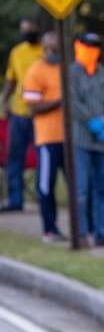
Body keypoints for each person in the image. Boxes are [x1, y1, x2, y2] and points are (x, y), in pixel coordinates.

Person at [70, 32, 104, 247]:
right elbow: (72, 103)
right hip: (81, 138)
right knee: (81, 188)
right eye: (88, 46)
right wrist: (90, 122)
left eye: (96, 47)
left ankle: (102, 231)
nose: (92, 51)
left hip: (102, 141)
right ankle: (81, 233)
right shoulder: (71, 74)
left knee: (103, 188)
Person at [22, 31, 66, 243]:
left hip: (71, 138)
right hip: (48, 138)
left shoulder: (67, 69)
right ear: (44, 48)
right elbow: (33, 107)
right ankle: (49, 229)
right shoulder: (35, 71)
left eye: (57, 49)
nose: (53, 53)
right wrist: (59, 101)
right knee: (46, 185)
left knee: (80, 185)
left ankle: (85, 228)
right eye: (50, 49)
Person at [0, 17, 42, 212]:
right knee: (14, 157)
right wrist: (5, 101)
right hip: (19, 112)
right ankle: (15, 200)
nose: (27, 32)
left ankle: (44, 197)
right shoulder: (17, 52)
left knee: (43, 157)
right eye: (24, 29)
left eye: (30, 29)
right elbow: (11, 79)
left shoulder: (45, 52)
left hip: (42, 114)